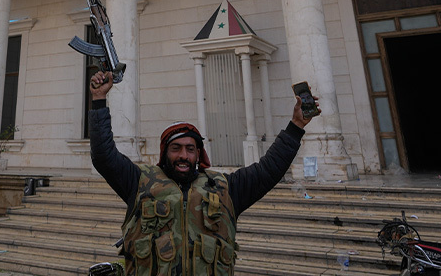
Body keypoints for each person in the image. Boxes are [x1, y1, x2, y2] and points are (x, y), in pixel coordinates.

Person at [88, 69, 314, 276]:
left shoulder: (225, 188)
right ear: (165, 152)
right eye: (176, 149)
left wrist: (296, 126)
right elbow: (103, 156)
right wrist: (99, 101)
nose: (183, 156)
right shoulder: (139, 182)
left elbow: (268, 170)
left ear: (198, 155)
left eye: (190, 149)